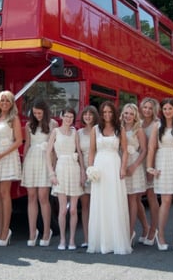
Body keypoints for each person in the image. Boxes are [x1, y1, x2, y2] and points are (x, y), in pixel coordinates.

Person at [87, 101, 132, 254]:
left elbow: (125, 150)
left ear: (114, 113)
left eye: (110, 112)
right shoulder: (95, 129)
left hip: (114, 165)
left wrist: (123, 168)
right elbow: (92, 151)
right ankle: (101, 241)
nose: (107, 115)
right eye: (104, 112)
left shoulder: (120, 129)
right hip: (99, 167)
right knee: (100, 202)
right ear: (101, 113)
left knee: (114, 201)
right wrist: (90, 168)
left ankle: (115, 240)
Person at [146, 97, 173, 251]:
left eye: (170, 108)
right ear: (162, 111)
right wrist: (150, 167)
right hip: (163, 162)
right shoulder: (157, 126)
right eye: (164, 109)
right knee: (165, 199)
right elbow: (151, 148)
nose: (167, 111)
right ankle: (162, 234)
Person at [21, 98, 58, 247]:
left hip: (45, 160)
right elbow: (27, 145)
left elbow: (54, 148)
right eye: (35, 113)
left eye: (40, 113)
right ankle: (32, 232)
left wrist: (53, 167)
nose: (37, 115)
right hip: (31, 160)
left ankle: (46, 231)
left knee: (43, 197)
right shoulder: (29, 125)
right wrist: (23, 164)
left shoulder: (53, 124)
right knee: (31, 197)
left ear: (45, 112)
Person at [47, 107, 84, 250]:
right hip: (61, 169)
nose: (68, 119)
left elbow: (79, 153)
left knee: (73, 209)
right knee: (62, 210)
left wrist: (82, 172)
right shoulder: (55, 132)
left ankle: (72, 240)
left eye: (71, 117)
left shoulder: (75, 132)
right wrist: (51, 173)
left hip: (74, 169)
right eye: (66, 116)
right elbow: (48, 153)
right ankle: (62, 239)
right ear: (61, 116)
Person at [0, 90, 23, 246]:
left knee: (4, 193)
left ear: (11, 104)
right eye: (2, 100)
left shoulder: (13, 119)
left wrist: (1, 155)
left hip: (7, 155)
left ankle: (5, 231)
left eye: (7, 101)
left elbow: (18, 141)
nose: (4, 103)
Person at [120, 103, 148, 246]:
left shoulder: (139, 130)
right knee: (128, 199)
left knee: (133, 198)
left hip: (134, 164)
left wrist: (134, 165)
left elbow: (144, 150)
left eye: (131, 114)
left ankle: (130, 232)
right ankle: (145, 227)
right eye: (126, 113)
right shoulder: (118, 128)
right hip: (121, 164)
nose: (128, 116)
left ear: (135, 115)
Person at [138, 97, 160, 246]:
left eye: (150, 108)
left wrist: (150, 167)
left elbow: (155, 147)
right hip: (139, 161)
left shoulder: (156, 124)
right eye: (145, 107)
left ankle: (153, 229)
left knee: (151, 195)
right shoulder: (138, 123)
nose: (147, 110)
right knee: (136, 196)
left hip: (151, 162)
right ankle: (145, 227)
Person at [77, 105, 100, 248]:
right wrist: (82, 171)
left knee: (97, 205)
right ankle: (87, 238)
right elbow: (78, 153)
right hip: (84, 169)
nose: (88, 117)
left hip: (98, 168)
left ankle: (97, 237)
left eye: (90, 114)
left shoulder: (99, 130)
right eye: (85, 114)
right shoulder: (78, 133)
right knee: (85, 206)